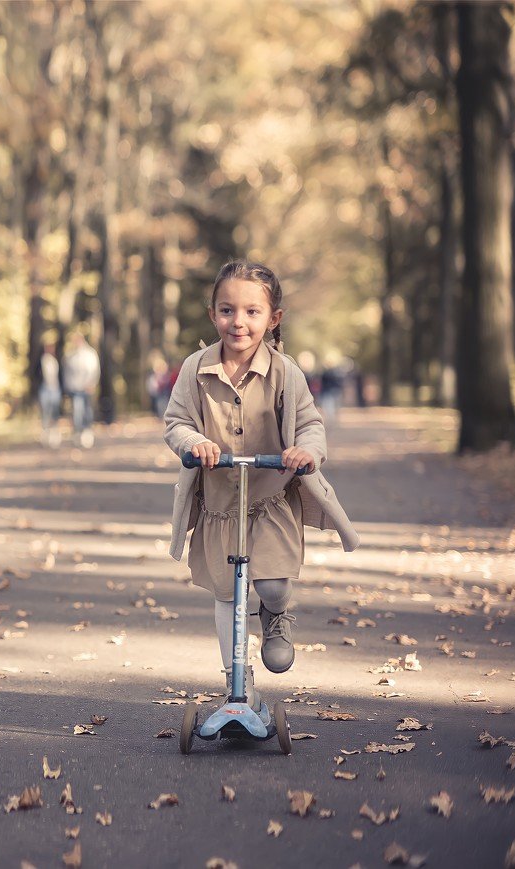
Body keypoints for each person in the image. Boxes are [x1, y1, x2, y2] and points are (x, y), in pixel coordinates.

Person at [163, 260, 359, 693]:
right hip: (218, 507)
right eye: (228, 310)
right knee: (227, 595)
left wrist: (307, 450)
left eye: (253, 312)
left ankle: (277, 613)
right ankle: (238, 678)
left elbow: (310, 424)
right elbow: (175, 422)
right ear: (213, 313)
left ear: (273, 319)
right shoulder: (195, 369)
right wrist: (193, 442)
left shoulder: (286, 373)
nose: (239, 322)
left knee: (271, 584)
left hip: (270, 501)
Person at [62, 332, 100, 448]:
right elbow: (67, 373)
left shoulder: (90, 354)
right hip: (75, 388)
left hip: (87, 387)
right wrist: (68, 386)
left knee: (87, 411)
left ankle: (87, 432)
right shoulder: (71, 355)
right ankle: (78, 432)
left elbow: (95, 370)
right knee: (77, 411)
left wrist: (92, 383)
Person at [37, 342, 62, 447]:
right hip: (45, 390)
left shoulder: (56, 361)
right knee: (45, 413)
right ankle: (45, 434)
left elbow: (60, 376)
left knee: (54, 413)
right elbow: (36, 376)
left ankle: (54, 435)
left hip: (55, 390)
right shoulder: (41, 362)